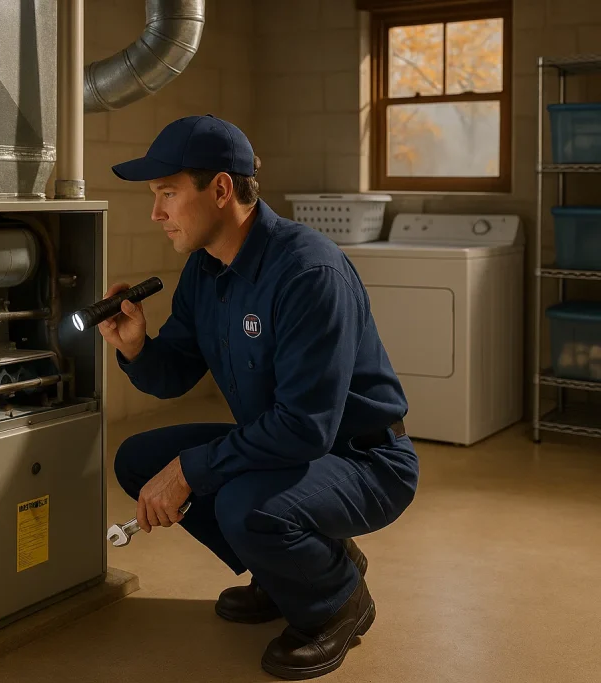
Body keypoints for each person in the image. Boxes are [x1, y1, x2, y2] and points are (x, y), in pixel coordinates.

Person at [103, 114, 419, 680]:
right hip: (291, 448)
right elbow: (173, 374)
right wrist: (134, 348)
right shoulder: (205, 270)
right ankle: (285, 577)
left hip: (363, 459)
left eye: (168, 194)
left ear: (221, 189)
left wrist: (190, 472)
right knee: (139, 460)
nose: (156, 214)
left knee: (239, 502)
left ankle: (338, 602)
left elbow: (305, 428)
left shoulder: (308, 271)